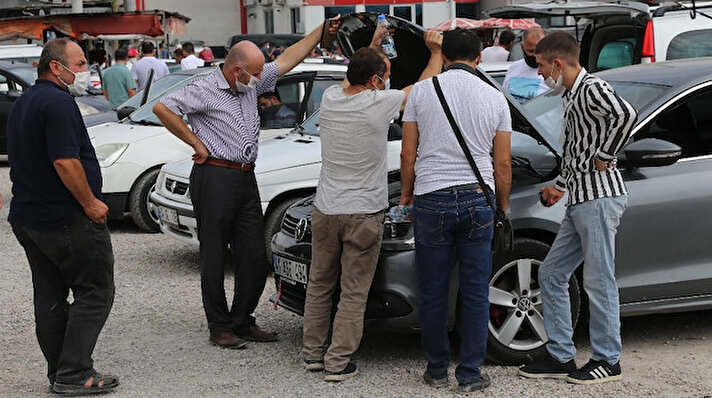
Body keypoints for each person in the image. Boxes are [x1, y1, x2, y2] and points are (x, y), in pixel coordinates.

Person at [152, 17, 343, 350]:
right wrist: (196, 144)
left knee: (254, 255)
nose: (260, 80)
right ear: (236, 69)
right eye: (254, 73)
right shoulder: (204, 88)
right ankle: (220, 326)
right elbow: (162, 107)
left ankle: (242, 319)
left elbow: (287, 59)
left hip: (244, 176)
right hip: (214, 175)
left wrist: (321, 31)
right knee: (213, 254)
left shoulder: (250, 81)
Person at [301, 28, 444, 382]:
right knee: (353, 290)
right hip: (363, 211)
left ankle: (312, 355)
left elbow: (358, 68)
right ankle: (338, 362)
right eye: (387, 76)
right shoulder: (377, 104)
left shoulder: (332, 98)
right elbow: (422, 89)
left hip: (326, 207)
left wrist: (376, 42)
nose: (389, 82)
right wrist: (436, 53)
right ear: (377, 80)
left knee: (320, 283)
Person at [518, 31, 637, 385]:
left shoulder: (590, 88)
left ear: (557, 63)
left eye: (540, 66)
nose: (539, 74)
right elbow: (579, 150)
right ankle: (561, 354)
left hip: (598, 198)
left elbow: (626, 115)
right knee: (552, 273)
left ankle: (607, 359)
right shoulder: (572, 94)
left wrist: (605, 155)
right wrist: (562, 185)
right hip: (583, 199)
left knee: (598, 281)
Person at [399, 28, 512, 393]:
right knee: (476, 290)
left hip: (432, 197)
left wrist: (405, 195)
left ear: (443, 57)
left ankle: (435, 369)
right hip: (479, 198)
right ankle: (470, 373)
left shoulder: (421, 92)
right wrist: (503, 207)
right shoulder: (495, 97)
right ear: (479, 58)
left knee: (432, 288)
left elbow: (407, 153)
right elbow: (503, 163)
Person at [6, 38, 118, 396]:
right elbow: (64, 160)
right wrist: (90, 204)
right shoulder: (57, 102)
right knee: (95, 291)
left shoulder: (25, 101)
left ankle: (61, 371)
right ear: (57, 66)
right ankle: (74, 371)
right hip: (64, 218)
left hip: (30, 215)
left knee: (50, 297)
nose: (84, 70)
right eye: (80, 62)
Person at [502, 27, 549, 103]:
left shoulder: (555, 72)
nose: (535, 55)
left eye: (539, 51)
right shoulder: (513, 68)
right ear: (522, 47)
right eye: (531, 51)